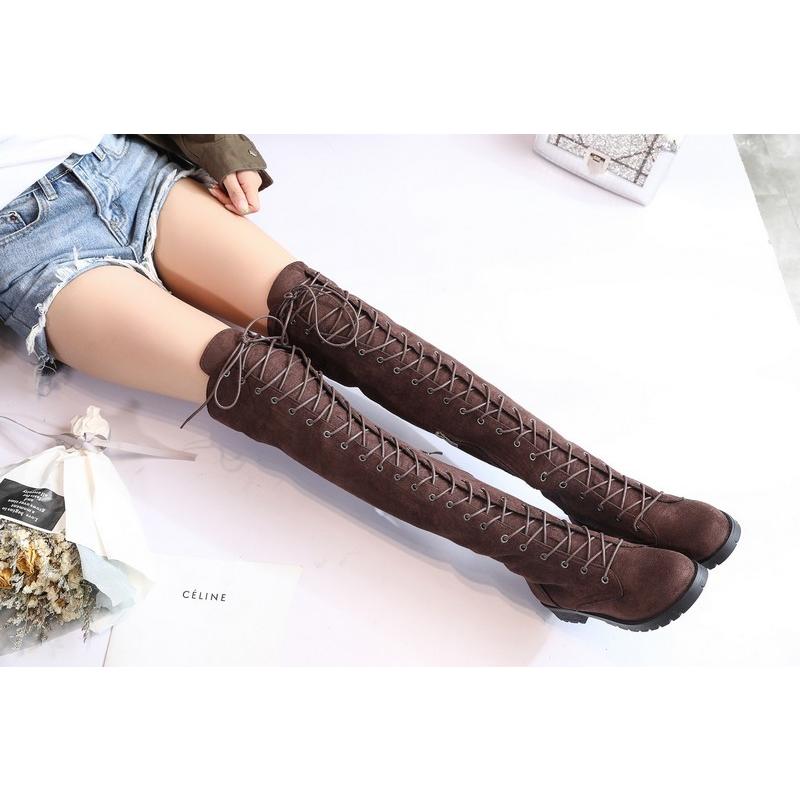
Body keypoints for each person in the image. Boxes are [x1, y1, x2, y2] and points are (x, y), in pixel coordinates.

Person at [0, 133, 740, 632]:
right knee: (261, 380)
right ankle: (561, 562)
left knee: (331, 318)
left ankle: (604, 496)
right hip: (23, 247)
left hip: (112, 163)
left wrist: (218, 145)